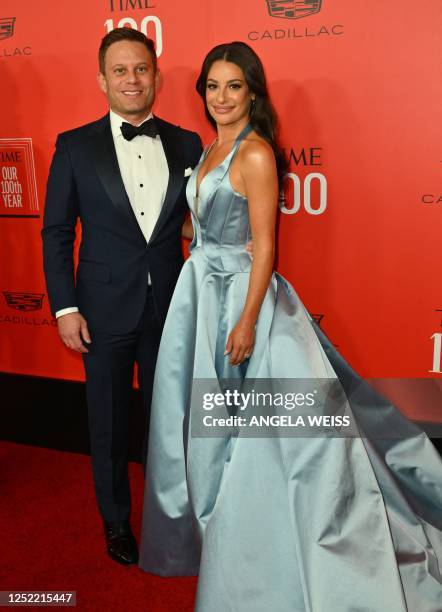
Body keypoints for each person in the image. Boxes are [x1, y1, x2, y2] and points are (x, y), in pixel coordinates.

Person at [139, 41, 442, 610]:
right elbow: (202, 225)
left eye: (233, 86)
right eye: (212, 86)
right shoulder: (210, 148)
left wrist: (250, 320)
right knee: (212, 424)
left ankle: (279, 546)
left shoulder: (254, 154)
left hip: (241, 299)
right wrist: (190, 243)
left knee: (275, 437)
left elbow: (268, 246)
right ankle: (221, 531)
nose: (222, 97)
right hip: (202, 292)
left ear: (252, 90)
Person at [41, 27, 202, 566]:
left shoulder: (186, 143)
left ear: (156, 76)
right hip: (101, 311)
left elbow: (183, 222)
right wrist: (65, 307)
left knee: (168, 421)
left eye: (141, 69)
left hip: (171, 309)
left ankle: (170, 516)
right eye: (120, 71)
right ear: (102, 80)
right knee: (108, 422)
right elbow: (57, 231)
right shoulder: (74, 145)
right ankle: (115, 523)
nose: (131, 80)